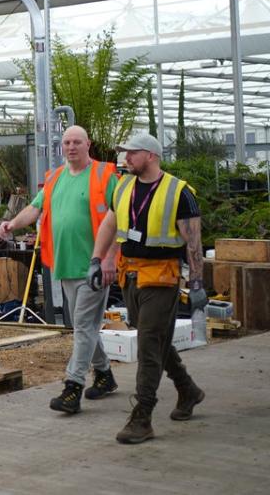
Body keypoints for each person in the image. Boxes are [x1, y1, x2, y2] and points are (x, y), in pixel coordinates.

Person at [90, 132, 205, 444]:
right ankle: (188, 389)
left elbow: (194, 243)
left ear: (151, 155)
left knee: (149, 344)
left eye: (132, 153)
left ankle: (142, 416)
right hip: (132, 277)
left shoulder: (179, 192)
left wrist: (196, 284)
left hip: (163, 279)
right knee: (156, 339)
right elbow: (110, 225)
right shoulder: (124, 186)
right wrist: (98, 258)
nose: (125, 158)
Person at [0, 125, 118, 414]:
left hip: (94, 265)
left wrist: (109, 259)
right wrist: (12, 224)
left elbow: (119, 217)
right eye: (67, 142)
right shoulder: (54, 178)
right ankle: (104, 374)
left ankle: (72, 386)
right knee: (83, 326)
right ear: (61, 147)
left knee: (83, 326)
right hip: (65, 265)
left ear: (88, 144)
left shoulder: (104, 175)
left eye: (77, 141)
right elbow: (35, 209)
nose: (71, 146)